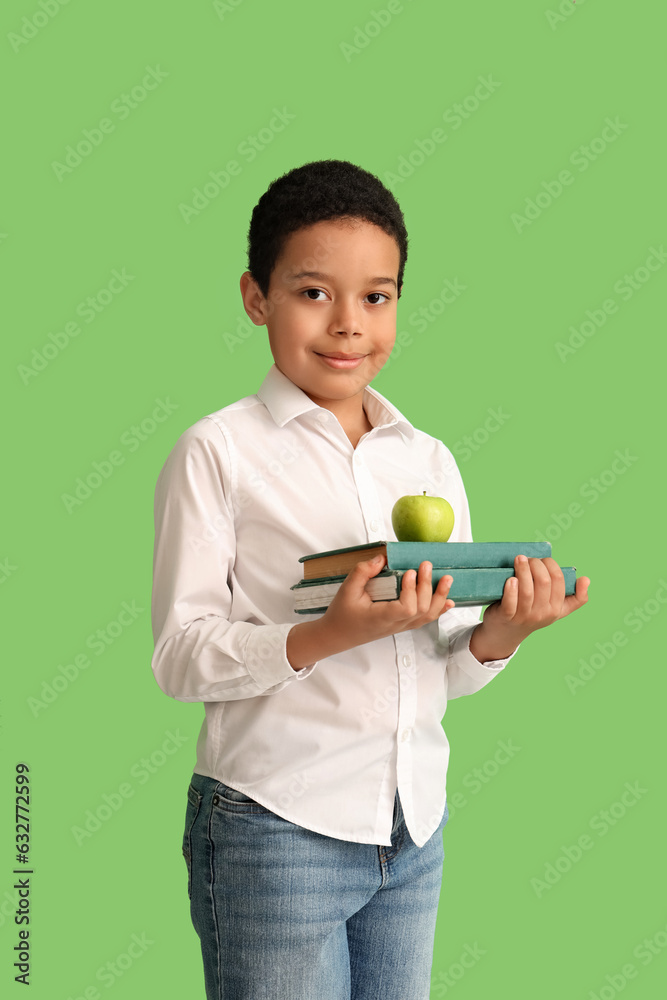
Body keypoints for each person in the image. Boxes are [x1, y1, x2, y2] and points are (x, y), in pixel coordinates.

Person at [150, 159, 590, 1000]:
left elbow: (442, 662)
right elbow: (179, 656)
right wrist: (326, 635)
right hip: (275, 826)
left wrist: (503, 633)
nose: (349, 324)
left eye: (376, 296)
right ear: (256, 298)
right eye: (314, 293)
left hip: (412, 824)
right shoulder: (219, 451)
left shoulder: (427, 459)